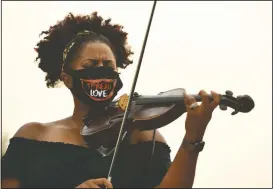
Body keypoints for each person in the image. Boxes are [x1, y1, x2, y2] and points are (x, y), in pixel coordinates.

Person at [2, 12, 220, 188]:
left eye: (108, 67)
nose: (101, 72)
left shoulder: (144, 136)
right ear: (67, 79)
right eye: (90, 66)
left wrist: (193, 135)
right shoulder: (33, 136)